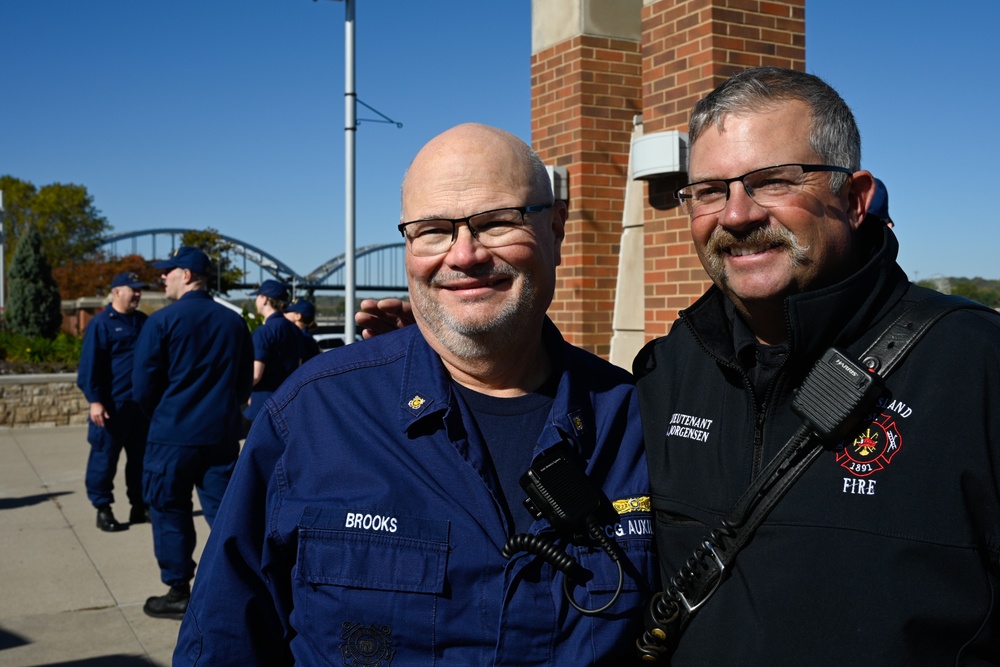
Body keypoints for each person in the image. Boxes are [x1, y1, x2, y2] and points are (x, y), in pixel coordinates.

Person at [174, 123, 656, 665]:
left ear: (557, 230)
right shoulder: (313, 415)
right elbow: (222, 642)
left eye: (498, 222)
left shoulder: (638, 422)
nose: (464, 254)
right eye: (432, 231)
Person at [633, 67, 1000, 664]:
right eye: (708, 191)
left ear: (854, 200)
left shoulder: (975, 365)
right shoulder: (665, 373)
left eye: (773, 181)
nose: (736, 215)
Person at [132, 246, 254, 620]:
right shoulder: (234, 322)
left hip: (172, 437)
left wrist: (167, 417)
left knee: (169, 510)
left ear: (186, 275)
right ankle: (239, 590)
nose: (162, 277)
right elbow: (243, 381)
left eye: (168, 271)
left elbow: (142, 388)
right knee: (225, 515)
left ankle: (178, 590)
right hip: (219, 436)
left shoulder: (161, 321)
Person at [76, 271, 150, 532]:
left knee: (140, 460)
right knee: (104, 459)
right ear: (117, 291)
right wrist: (95, 401)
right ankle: (103, 508)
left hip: (139, 407)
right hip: (110, 407)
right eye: (134, 289)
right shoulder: (101, 324)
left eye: (140, 290)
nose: (138, 294)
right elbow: (89, 368)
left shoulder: (143, 322)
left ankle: (139, 506)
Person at [244, 279, 300, 427]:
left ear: (264, 300)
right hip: (288, 401)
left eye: (258, 296)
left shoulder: (264, 332)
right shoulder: (294, 329)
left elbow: (255, 375)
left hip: (263, 404)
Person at [283, 296, 321, 363]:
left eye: (287, 312)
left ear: (298, 316)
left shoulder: (303, 339)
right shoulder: (305, 337)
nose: (284, 314)